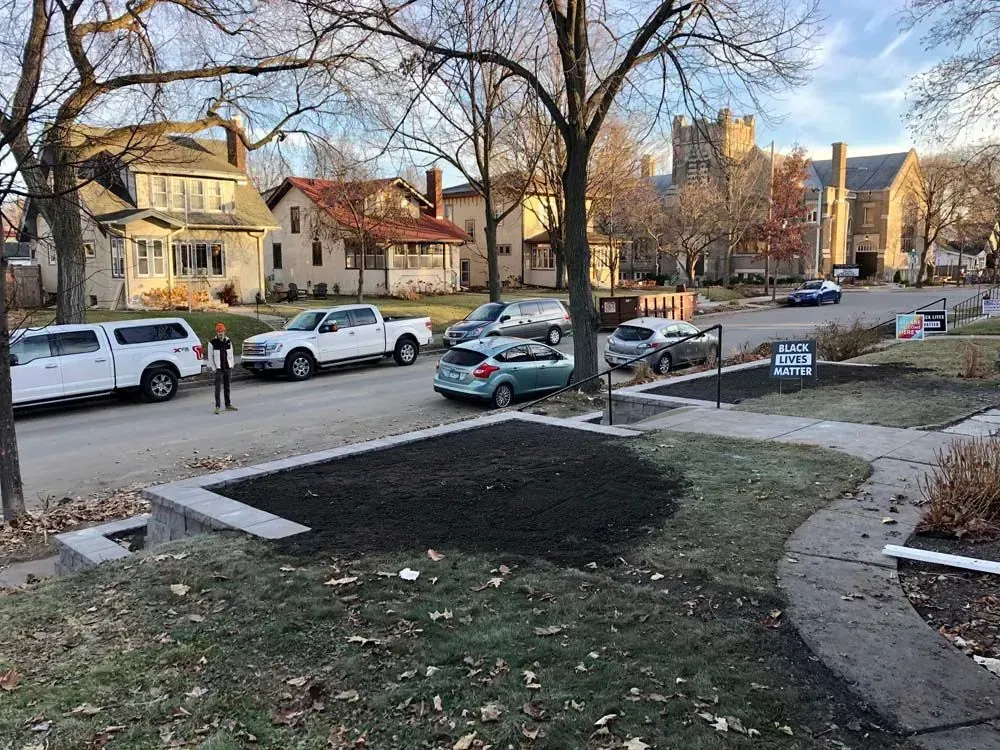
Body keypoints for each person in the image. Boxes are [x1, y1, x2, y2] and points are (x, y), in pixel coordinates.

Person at [209, 323, 238, 414]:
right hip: (218, 368)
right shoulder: (212, 342)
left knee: (227, 387)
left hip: (227, 367)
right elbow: (210, 357)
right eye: (219, 331)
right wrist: (214, 368)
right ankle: (217, 406)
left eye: (222, 331)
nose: (220, 333)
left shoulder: (228, 341)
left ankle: (228, 404)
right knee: (217, 388)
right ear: (216, 332)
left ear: (225, 331)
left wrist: (231, 364)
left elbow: (231, 354)